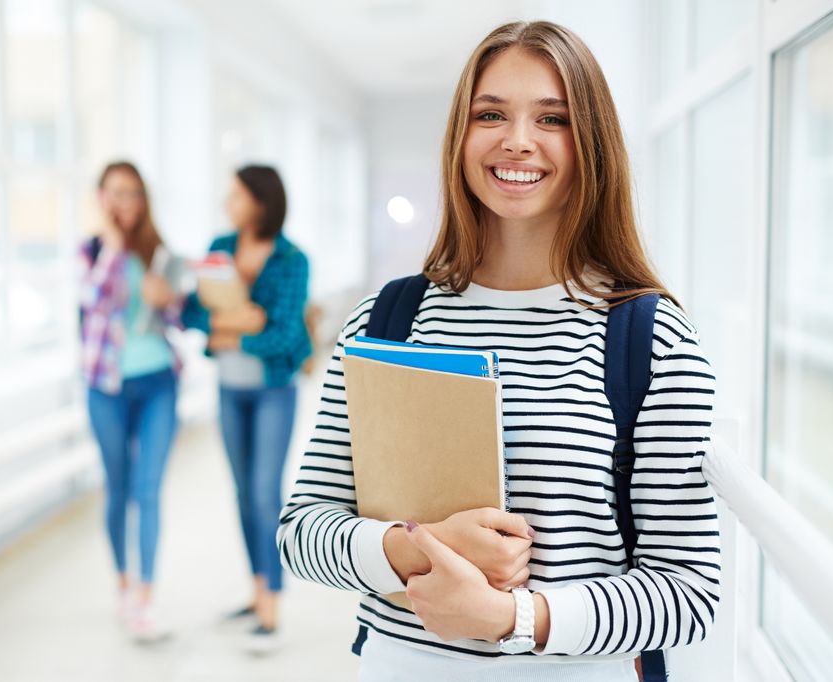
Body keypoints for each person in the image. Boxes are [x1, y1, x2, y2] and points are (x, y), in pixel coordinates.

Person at [277, 21, 720, 681]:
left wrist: (514, 619)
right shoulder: (387, 320)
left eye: (553, 118)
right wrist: (412, 548)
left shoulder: (649, 338)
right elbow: (301, 533)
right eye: (491, 114)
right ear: (461, 135)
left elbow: (689, 593)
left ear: (591, 143)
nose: (517, 140)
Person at [182, 165, 311, 653]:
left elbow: (285, 334)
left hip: (274, 391)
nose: (227, 203)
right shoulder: (220, 247)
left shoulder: (292, 259)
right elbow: (192, 313)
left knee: (263, 494)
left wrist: (227, 329)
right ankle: (257, 590)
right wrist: (239, 323)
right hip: (229, 390)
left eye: (235, 195)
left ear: (260, 201)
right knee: (241, 493)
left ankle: (272, 606)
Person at [78, 161, 184, 642]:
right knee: (118, 488)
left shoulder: (158, 250)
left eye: (134, 194)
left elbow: (181, 319)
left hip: (158, 381)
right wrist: (114, 248)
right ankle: (122, 583)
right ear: (101, 197)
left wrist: (168, 300)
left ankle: (145, 597)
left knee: (149, 489)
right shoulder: (91, 251)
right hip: (107, 386)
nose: (126, 203)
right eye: (117, 193)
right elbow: (92, 299)